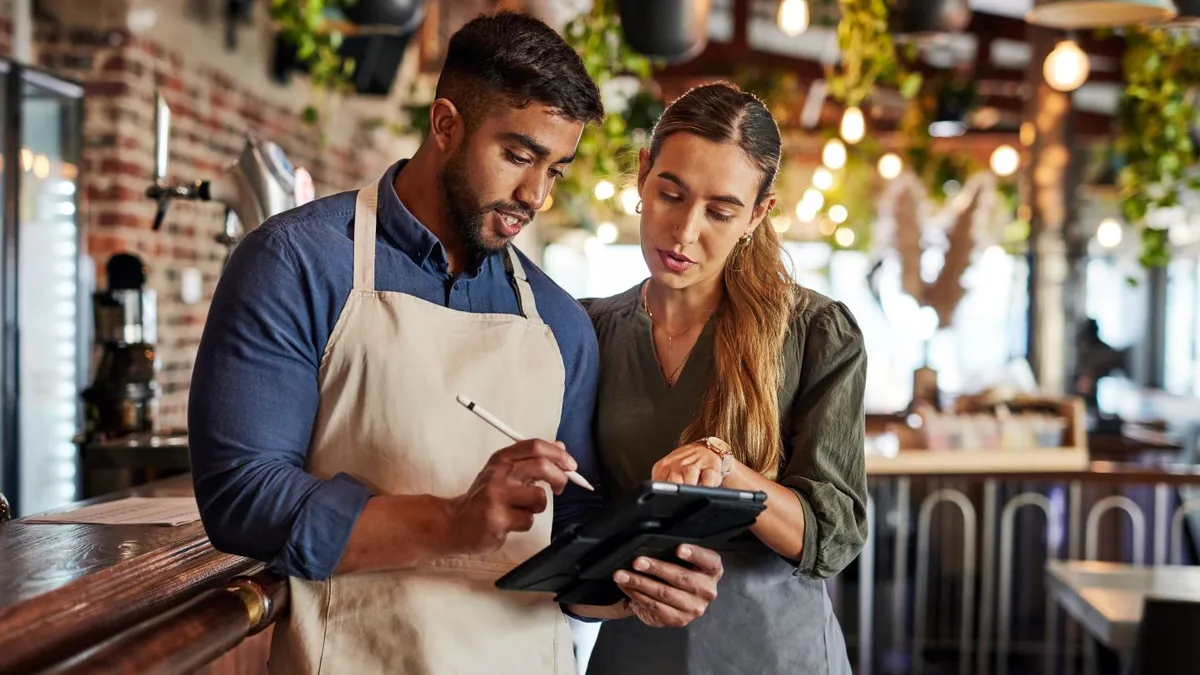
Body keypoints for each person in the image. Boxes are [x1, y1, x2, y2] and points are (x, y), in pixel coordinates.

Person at [187, 12, 724, 675]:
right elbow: (242, 496)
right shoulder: (296, 263)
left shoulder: (558, 320)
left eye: (554, 169)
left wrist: (637, 579)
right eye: (519, 155)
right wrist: (450, 521)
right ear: (445, 124)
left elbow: (574, 519)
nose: (535, 195)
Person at [581, 83, 870, 674]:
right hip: (636, 650)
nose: (685, 232)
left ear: (758, 214)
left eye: (720, 211)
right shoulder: (588, 330)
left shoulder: (815, 332)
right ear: (642, 175)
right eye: (671, 194)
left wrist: (729, 474)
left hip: (774, 653)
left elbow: (833, 536)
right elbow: (573, 521)